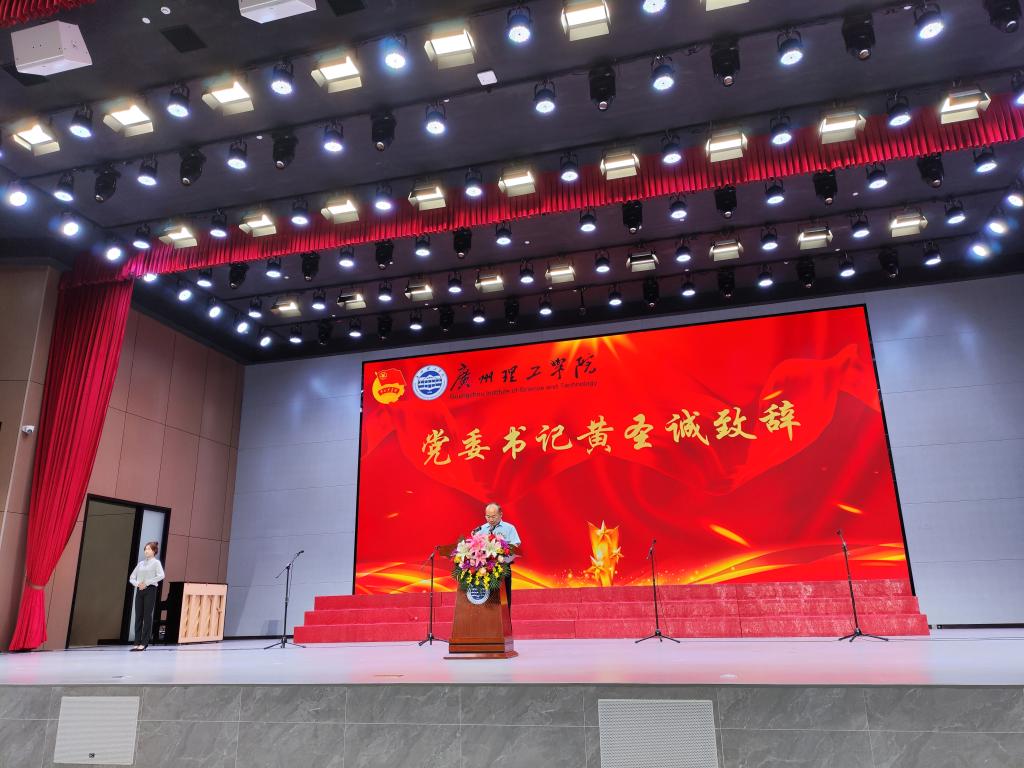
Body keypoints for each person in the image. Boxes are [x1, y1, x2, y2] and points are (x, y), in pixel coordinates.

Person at [474, 502, 520, 608]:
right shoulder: (481, 529)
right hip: (484, 569)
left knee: (504, 599)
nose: (490, 519)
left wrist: (502, 551)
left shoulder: (509, 528)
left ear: (500, 514)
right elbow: (475, 545)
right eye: (488, 516)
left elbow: (515, 546)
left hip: (503, 567)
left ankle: (505, 617)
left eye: (493, 516)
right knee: (486, 599)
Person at [128, 541, 165, 651]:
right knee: (138, 616)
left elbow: (161, 575)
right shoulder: (141, 563)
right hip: (140, 590)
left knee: (147, 616)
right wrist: (138, 584)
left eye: (148, 549)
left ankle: (144, 643)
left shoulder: (156, 563)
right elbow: (131, 577)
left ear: (154, 551)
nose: (146, 551)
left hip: (150, 590)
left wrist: (147, 582)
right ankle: (136, 642)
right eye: (145, 549)